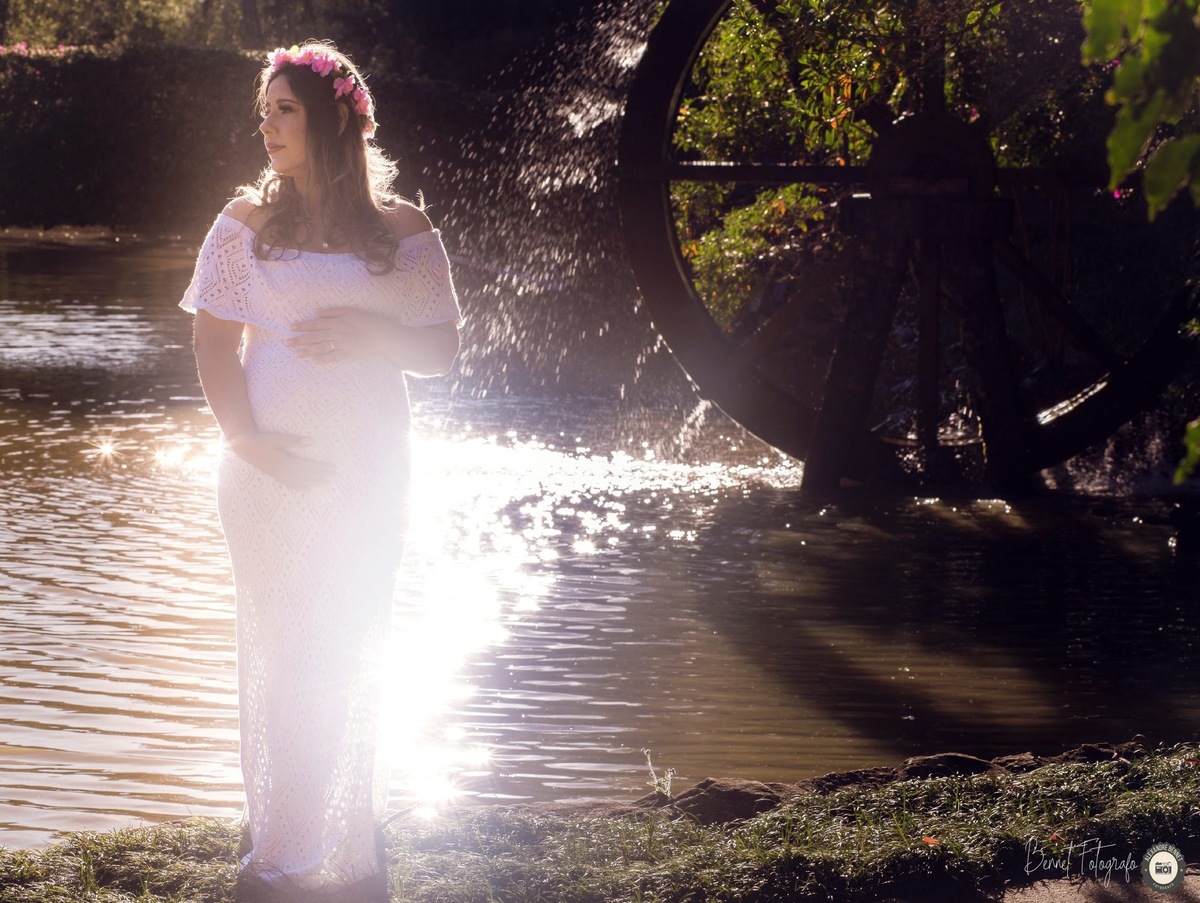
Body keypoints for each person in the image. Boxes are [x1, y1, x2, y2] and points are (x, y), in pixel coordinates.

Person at [179, 41, 461, 902]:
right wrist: (248, 441)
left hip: (370, 473)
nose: (266, 125)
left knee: (350, 640)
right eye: (263, 111)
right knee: (283, 646)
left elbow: (444, 351)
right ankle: (282, 850)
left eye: (284, 109)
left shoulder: (405, 229)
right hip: (265, 472)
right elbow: (212, 340)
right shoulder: (246, 222)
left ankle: (341, 843)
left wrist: (374, 337)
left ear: (338, 117)